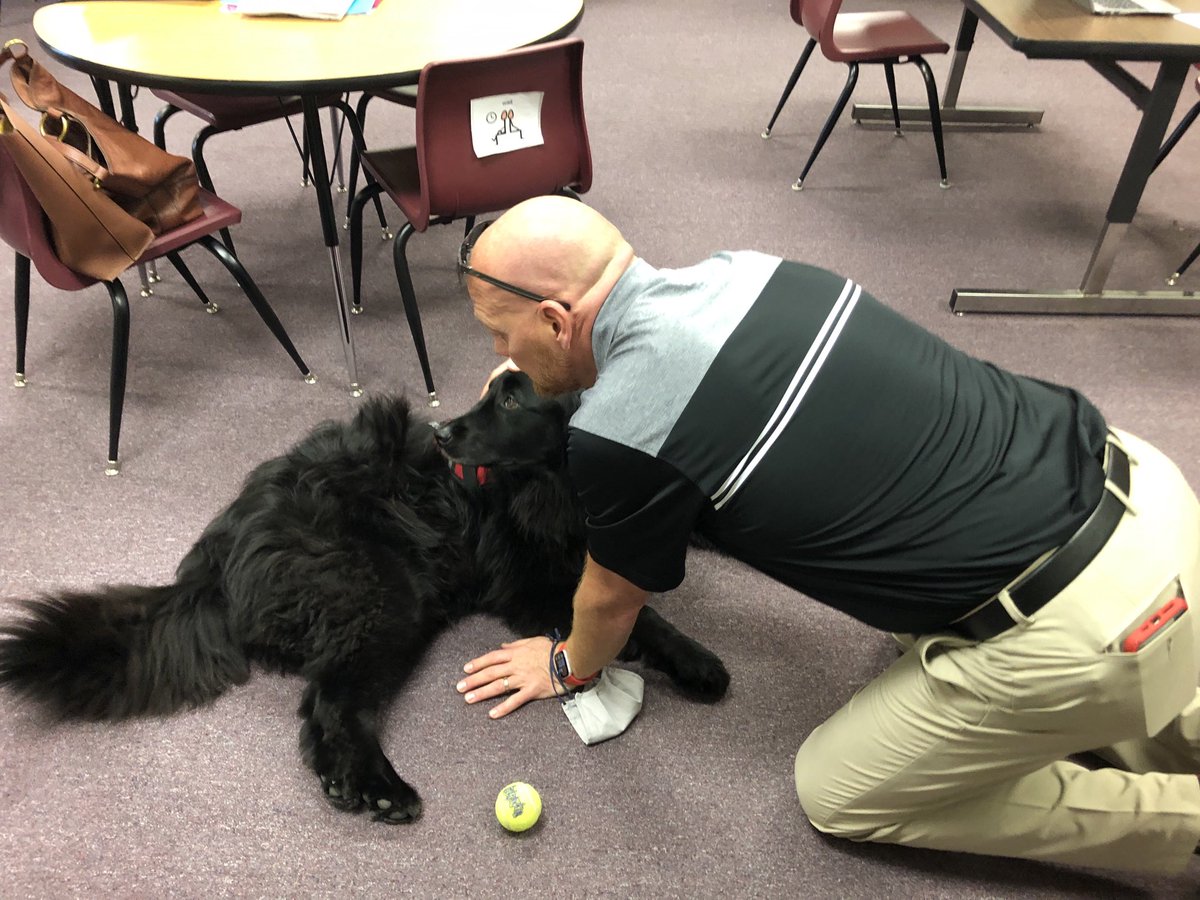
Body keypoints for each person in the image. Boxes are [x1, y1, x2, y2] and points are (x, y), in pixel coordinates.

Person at [452, 195, 1200, 873]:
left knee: (838, 791)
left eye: (499, 334)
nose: (498, 358)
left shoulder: (619, 436)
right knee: (1151, 689)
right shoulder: (751, 271)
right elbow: (658, 374)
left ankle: (1179, 822)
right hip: (1151, 495)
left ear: (554, 318)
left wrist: (567, 667)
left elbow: (613, 601)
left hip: (1084, 626)